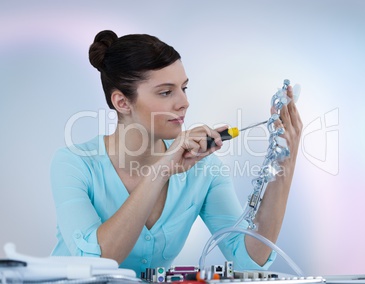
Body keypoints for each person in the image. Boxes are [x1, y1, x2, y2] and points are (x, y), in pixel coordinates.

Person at [50, 30, 303, 276]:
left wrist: (285, 160)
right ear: (122, 102)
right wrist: (162, 169)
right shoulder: (74, 164)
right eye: (166, 92)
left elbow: (249, 260)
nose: (184, 102)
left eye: (184, 88)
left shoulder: (204, 170)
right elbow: (95, 262)